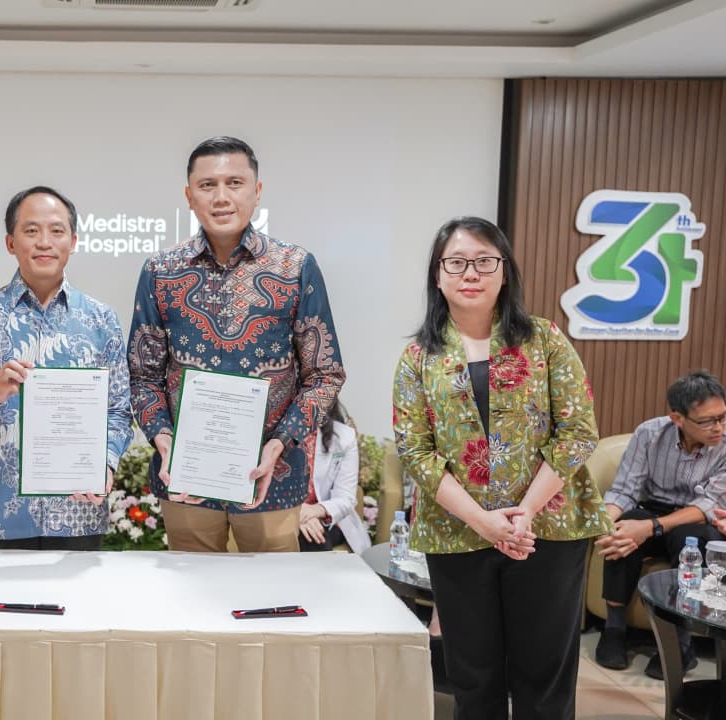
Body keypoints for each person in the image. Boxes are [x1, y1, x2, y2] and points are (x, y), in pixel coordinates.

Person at [392, 216, 610, 720]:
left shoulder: (546, 339)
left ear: (504, 271)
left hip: (548, 530)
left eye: (484, 261)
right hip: (457, 534)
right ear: (438, 275)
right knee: (473, 681)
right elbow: (415, 451)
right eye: (456, 262)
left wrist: (524, 512)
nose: (471, 273)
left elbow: (578, 431)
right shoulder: (417, 358)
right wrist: (482, 521)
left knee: (545, 681)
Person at [127, 136, 345, 553]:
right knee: (189, 588)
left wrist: (280, 444)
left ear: (257, 191)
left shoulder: (295, 266)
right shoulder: (160, 270)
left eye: (235, 183)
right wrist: (163, 440)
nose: (222, 197)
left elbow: (324, 374)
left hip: (273, 478)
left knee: (270, 591)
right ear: (189, 197)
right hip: (185, 480)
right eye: (207, 185)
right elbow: (142, 376)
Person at [0, 186, 132, 548]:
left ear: (74, 241)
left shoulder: (101, 319)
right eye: (31, 230)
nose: (44, 242)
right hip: (1, 515)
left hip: (78, 512)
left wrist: (104, 464)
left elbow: (119, 409)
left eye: (56, 231)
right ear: (10, 242)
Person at [594, 370, 726, 678]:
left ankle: (681, 643)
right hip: (651, 508)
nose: (718, 427)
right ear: (678, 418)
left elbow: (708, 504)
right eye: (707, 421)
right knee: (625, 528)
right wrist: (604, 524)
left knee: (693, 538)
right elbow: (625, 490)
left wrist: (651, 528)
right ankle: (614, 629)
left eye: (722, 417)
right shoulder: (650, 433)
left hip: (695, 517)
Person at [297, 402, 371, 553]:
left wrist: (316, 510)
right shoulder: (272, 433)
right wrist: (294, 514)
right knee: (300, 535)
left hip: (326, 517)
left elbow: (345, 498)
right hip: (280, 514)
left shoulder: (344, 437)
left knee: (313, 537)